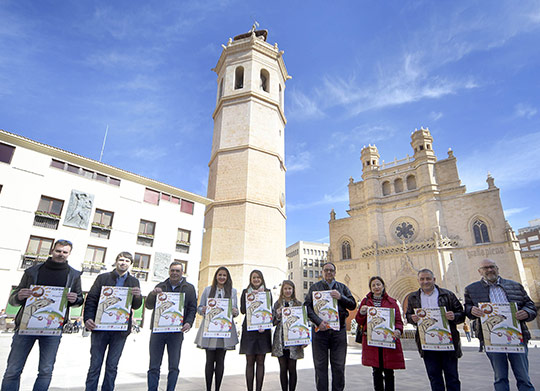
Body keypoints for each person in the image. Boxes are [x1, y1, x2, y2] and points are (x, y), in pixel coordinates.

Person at [1, 239, 83, 391]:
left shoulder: (74, 275)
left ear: (69, 254)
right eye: (58, 251)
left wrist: (75, 299)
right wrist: (19, 296)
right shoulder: (32, 271)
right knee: (13, 370)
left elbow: (79, 300)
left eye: (65, 252)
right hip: (25, 327)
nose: (61, 254)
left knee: (45, 371)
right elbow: (13, 300)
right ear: (52, 250)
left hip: (53, 329)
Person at [464, 258, 536, 391]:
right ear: (480, 271)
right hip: (492, 340)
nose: (489, 270)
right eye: (486, 268)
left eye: (492, 267)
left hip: (517, 338)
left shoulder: (515, 286)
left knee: (524, 377)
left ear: (497, 269)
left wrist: (526, 312)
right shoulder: (471, 289)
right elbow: (467, 309)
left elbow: (530, 305)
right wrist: (471, 310)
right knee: (500, 377)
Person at [83, 251, 142, 391]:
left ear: (130, 264)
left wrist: (138, 297)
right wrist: (87, 319)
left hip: (120, 332)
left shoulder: (134, 281)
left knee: (112, 367)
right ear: (116, 261)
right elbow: (91, 299)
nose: (123, 263)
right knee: (95, 365)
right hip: (100, 329)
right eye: (121, 260)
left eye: (127, 261)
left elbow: (135, 305)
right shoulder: (102, 278)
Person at [405, 268, 464, 391]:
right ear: (418, 281)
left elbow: (461, 314)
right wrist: (412, 318)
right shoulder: (413, 298)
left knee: (452, 376)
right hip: (427, 344)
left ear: (434, 280)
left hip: (448, 343)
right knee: (434, 377)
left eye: (428, 279)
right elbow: (408, 315)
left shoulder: (448, 295)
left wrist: (454, 316)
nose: (425, 281)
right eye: (422, 279)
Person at [304, 261, 356, 391]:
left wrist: (341, 297)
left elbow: (352, 305)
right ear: (322, 272)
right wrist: (318, 322)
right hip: (320, 331)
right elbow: (307, 307)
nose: (328, 272)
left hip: (339, 331)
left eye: (331, 270)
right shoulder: (314, 288)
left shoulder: (342, 288)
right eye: (326, 270)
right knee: (320, 366)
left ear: (335, 273)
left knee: (338, 366)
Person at [145, 261, 197, 391]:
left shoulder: (189, 288)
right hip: (158, 331)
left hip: (176, 332)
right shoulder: (160, 286)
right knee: (154, 365)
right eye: (172, 270)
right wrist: (152, 294)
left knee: (174, 366)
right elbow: (148, 305)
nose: (174, 273)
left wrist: (189, 322)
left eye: (177, 271)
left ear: (182, 273)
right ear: (169, 271)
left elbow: (192, 308)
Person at [356, 276, 405, 391]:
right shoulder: (365, 301)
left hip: (387, 341)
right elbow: (359, 321)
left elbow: (398, 321)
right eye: (373, 285)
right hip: (372, 342)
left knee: (389, 371)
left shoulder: (392, 302)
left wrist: (398, 330)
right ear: (370, 288)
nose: (376, 287)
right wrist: (361, 313)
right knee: (376, 371)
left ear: (383, 286)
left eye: (378, 284)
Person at [194, 266, 239, 391]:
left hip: (224, 330)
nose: (222, 277)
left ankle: (217, 388)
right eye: (220, 275)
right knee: (209, 360)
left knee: (220, 360)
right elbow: (199, 308)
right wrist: (202, 310)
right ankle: (208, 388)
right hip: (210, 330)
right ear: (216, 276)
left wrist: (235, 311)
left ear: (227, 277)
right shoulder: (208, 290)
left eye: (224, 275)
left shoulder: (233, 291)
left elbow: (236, 310)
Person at [240, 270, 273, 391]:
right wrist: (250, 300)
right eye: (254, 277)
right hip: (249, 330)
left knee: (260, 361)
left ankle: (259, 389)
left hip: (263, 330)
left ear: (262, 279)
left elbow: (270, 310)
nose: (256, 280)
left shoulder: (267, 292)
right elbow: (243, 310)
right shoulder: (245, 292)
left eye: (258, 277)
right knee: (249, 361)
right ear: (250, 279)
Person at [272, 280, 305, 391]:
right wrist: (277, 314)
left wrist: (304, 339)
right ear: (282, 290)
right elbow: (272, 322)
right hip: (280, 339)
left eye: (289, 289)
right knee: (282, 368)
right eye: (285, 289)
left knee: (292, 367)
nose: (287, 291)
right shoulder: (277, 304)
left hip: (294, 339)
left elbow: (303, 323)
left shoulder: (298, 304)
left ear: (293, 290)